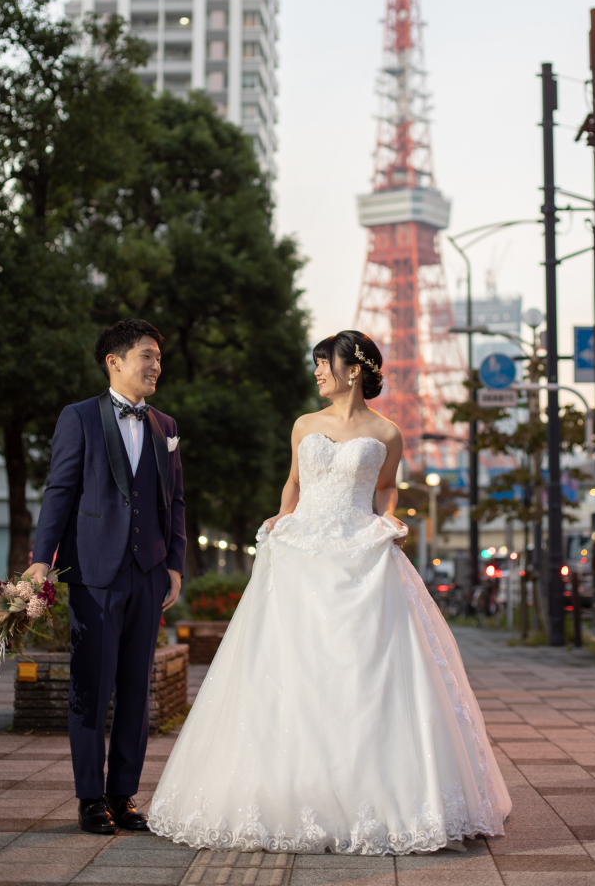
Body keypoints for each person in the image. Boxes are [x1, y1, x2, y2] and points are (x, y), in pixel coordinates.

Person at [149, 330, 511, 856]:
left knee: (367, 673)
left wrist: (389, 521)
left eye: (324, 363)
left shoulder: (388, 433)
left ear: (354, 370)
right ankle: (287, 790)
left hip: (360, 552)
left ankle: (380, 795)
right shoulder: (304, 425)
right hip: (300, 555)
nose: (317, 372)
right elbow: (293, 483)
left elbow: (385, 490)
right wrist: (281, 516)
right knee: (288, 669)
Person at [28, 318, 186, 837]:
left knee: (137, 691)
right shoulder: (78, 418)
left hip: (146, 574)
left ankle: (123, 793)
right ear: (113, 362)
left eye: (159, 357)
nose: (156, 365)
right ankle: (90, 798)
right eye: (147, 355)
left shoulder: (165, 426)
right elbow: (59, 492)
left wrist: (174, 564)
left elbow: (175, 502)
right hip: (94, 574)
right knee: (91, 689)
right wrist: (40, 558)